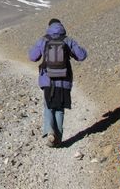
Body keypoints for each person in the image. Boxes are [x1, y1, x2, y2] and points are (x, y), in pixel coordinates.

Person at [28, 18, 87, 147]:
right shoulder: (68, 40)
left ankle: (50, 132)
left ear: (49, 27)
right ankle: (58, 139)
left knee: (48, 106)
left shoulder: (44, 40)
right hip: (64, 80)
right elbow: (81, 56)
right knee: (59, 108)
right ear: (61, 27)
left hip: (47, 79)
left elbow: (33, 57)